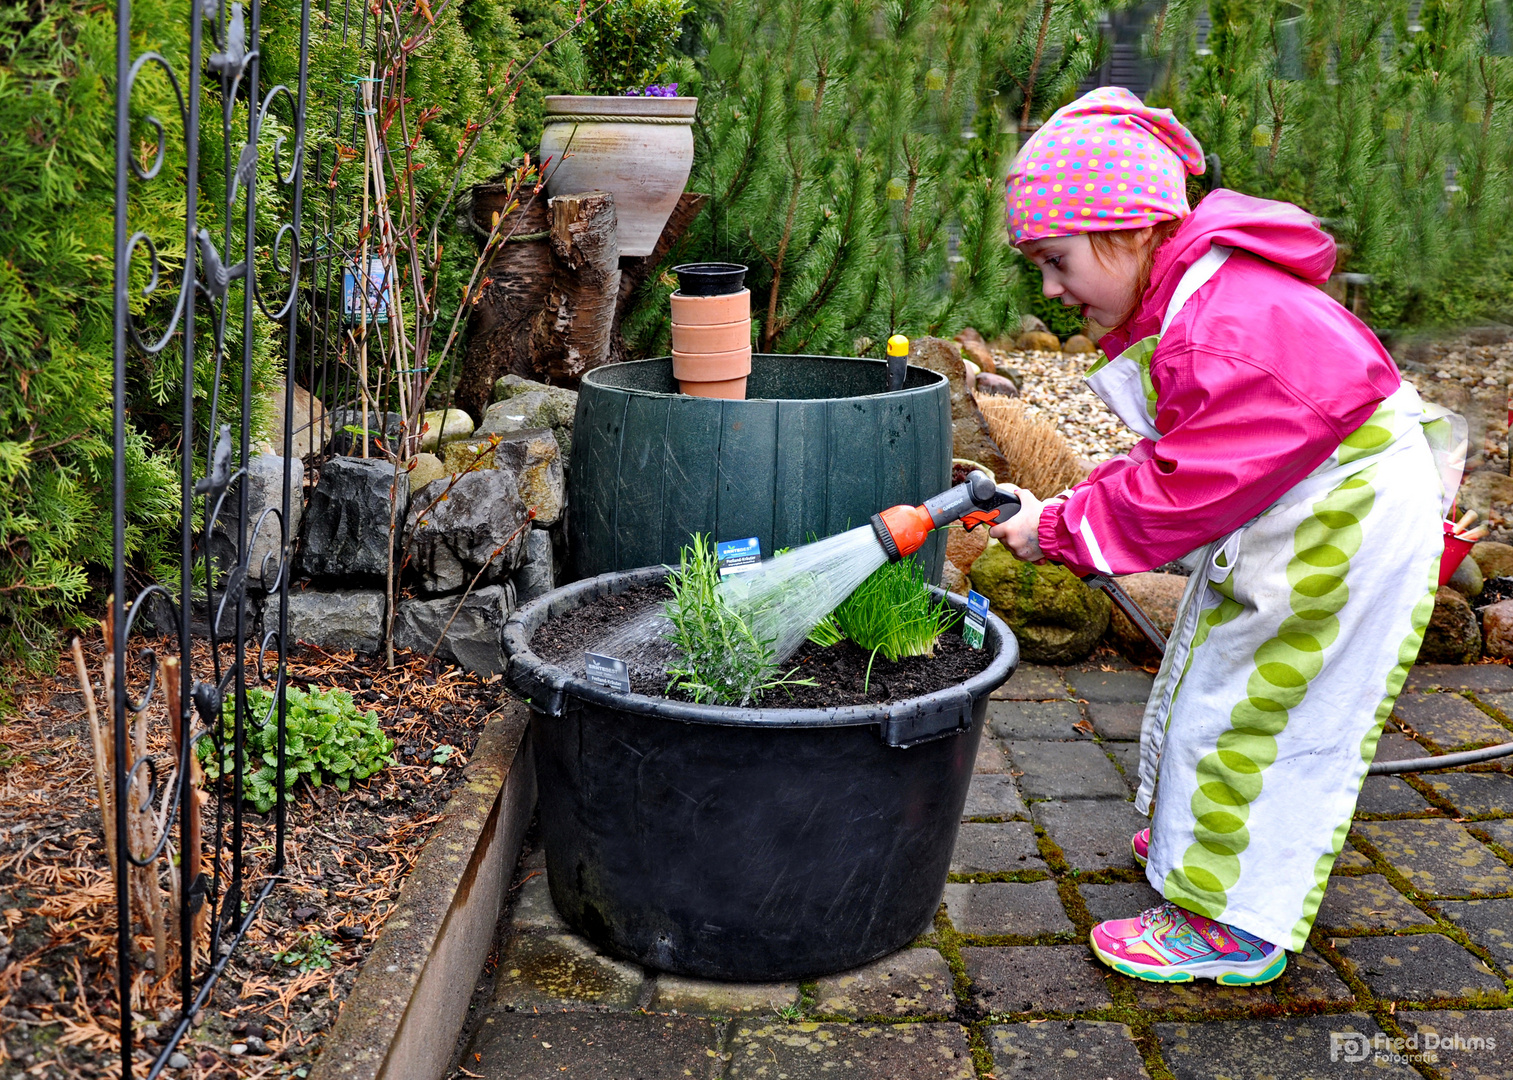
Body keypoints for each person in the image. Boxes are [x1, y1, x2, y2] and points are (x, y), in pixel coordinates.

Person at [989, 87, 1463, 986]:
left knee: (1254, 712)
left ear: (1128, 234)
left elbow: (1185, 489)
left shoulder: (1217, 329)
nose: (1050, 290)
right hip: (1322, 507)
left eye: (1056, 262)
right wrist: (1086, 501)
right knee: (1213, 675)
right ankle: (1200, 848)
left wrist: (1060, 526)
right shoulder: (1207, 298)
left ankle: (1228, 919)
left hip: (1342, 525)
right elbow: (1199, 458)